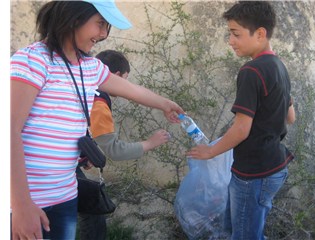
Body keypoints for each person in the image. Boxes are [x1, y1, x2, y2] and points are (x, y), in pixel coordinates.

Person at [10, 1, 184, 239]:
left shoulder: (90, 67)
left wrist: (164, 104)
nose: (103, 34)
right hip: (28, 202)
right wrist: (21, 206)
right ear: (73, 18)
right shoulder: (32, 61)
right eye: (100, 24)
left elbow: (131, 89)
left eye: (107, 26)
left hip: (66, 196)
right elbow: (9, 131)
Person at [186, 1, 296, 239]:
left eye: (236, 34)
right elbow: (291, 117)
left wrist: (210, 151)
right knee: (243, 228)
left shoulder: (251, 71)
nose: (230, 41)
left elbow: (242, 129)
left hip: (253, 173)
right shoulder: (280, 67)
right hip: (275, 167)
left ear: (260, 33)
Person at [77, 49, 172, 240]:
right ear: (116, 76)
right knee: (92, 215)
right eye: (125, 80)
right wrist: (150, 143)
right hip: (51, 170)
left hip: (46, 162)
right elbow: (115, 151)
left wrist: (83, 156)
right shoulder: (99, 103)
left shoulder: (82, 86)